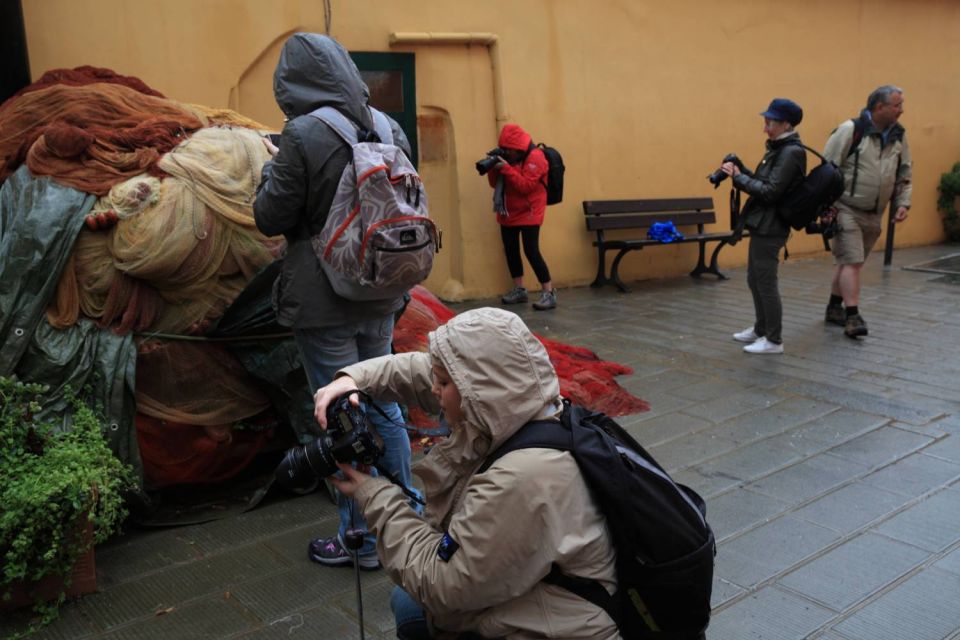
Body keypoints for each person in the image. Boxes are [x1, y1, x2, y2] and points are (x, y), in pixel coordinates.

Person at [314, 307, 618, 639]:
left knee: (413, 603)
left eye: (443, 383)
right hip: (539, 587)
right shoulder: (527, 402)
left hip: (558, 627)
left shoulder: (520, 478)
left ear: (476, 391)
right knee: (406, 601)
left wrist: (373, 495)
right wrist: (354, 380)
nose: (433, 389)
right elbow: (422, 373)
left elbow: (443, 584)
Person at [253, 33, 417, 570]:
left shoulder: (301, 132)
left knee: (341, 415)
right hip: (383, 286)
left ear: (291, 80)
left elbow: (271, 216)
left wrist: (269, 172)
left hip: (326, 299)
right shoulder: (387, 123)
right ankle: (405, 521)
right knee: (383, 403)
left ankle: (362, 541)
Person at [822, 85, 912, 338]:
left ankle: (833, 307)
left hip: (875, 212)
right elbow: (827, 168)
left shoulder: (899, 136)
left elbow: (904, 172)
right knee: (852, 261)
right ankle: (853, 317)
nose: (901, 110)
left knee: (851, 262)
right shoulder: (851, 130)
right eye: (897, 105)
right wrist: (826, 206)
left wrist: (902, 203)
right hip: (845, 207)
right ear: (879, 107)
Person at [723, 98, 807, 355]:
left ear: (786, 124)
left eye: (770, 122)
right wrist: (742, 169)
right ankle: (761, 329)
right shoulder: (778, 148)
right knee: (754, 279)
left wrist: (738, 178)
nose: (765, 127)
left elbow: (770, 192)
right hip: (763, 223)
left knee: (765, 282)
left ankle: (774, 339)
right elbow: (763, 181)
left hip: (772, 226)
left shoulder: (791, 152)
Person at [487, 124, 558, 311]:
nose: (507, 153)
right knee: (511, 250)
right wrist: (494, 167)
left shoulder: (537, 158)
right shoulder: (512, 158)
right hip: (508, 210)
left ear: (517, 147)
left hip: (530, 211)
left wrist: (507, 168)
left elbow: (525, 186)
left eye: (508, 150)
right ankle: (519, 289)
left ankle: (548, 292)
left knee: (531, 251)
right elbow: (495, 184)